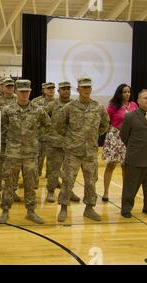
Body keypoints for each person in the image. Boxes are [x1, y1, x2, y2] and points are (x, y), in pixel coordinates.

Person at [0, 80, 51, 225]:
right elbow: (0, 126)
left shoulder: (38, 110)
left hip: (30, 154)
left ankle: (31, 211)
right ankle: (5, 211)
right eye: (21, 91)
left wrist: (35, 135)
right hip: (12, 153)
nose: (24, 94)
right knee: (9, 183)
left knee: (30, 183)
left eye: (27, 91)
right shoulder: (8, 110)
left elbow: (47, 125)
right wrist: (8, 138)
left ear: (30, 91)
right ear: (16, 91)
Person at [56, 78, 110, 222]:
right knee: (68, 180)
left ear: (91, 89)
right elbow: (59, 126)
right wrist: (71, 138)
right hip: (73, 151)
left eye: (89, 87)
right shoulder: (69, 107)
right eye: (83, 87)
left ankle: (89, 208)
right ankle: (63, 207)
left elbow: (105, 124)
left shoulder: (98, 107)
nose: (86, 90)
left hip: (90, 152)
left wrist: (92, 136)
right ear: (78, 89)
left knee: (91, 181)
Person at [120, 89, 147, 218]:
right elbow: (124, 135)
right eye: (145, 98)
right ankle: (126, 208)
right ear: (138, 101)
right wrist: (135, 148)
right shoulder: (130, 116)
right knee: (131, 185)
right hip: (135, 158)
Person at [44, 81, 80, 203]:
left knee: (70, 171)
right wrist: (48, 134)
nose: (66, 91)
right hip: (54, 144)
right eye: (63, 89)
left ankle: (68, 191)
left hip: (71, 144)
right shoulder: (52, 105)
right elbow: (42, 120)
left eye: (68, 89)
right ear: (58, 91)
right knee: (54, 170)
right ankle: (50, 191)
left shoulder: (75, 105)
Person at [101, 84, 138, 202]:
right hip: (115, 136)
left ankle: (125, 193)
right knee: (111, 165)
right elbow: (106, 120)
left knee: (126, 166)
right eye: (124, 92)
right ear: (119, 93)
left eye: (128, 92)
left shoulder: (134, 105)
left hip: (129, 138)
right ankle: (106, 192)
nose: (127, 94)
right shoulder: (113, 106)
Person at [0, 77, 18, 202]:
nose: (10, 88)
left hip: (14, 140)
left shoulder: (18, 100)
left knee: (13, 167)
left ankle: (12, 190)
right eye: (7, 86)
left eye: (12, 86)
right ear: (2, 87)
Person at [32, 82, 56, 187]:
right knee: (38, 159)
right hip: (40, 136)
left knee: (54, 160)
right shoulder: (36, 102)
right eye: (48, 88)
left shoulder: (58, 102)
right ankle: (35, 179)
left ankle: (53, 180)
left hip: (54, 136)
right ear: (43, 90)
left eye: (52, 88)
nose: (51, 90)